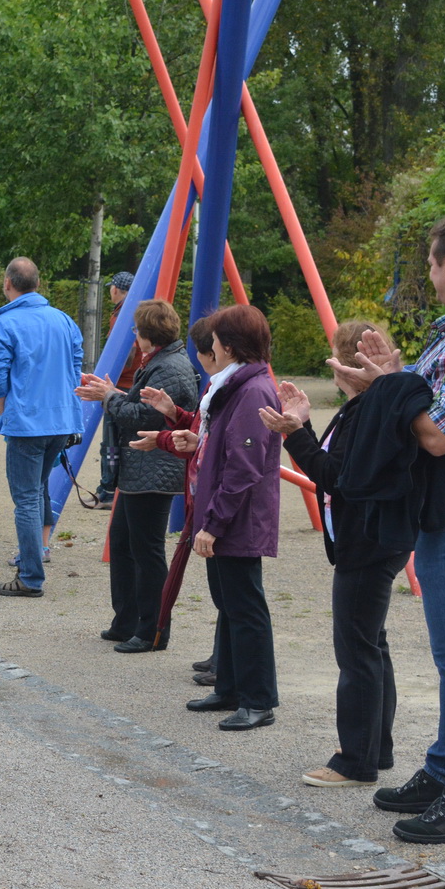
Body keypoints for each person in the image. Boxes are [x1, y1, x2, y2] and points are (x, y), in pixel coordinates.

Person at [334, 212, 445, 843]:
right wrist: (395, 381)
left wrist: (388, 391)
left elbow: (437, 434)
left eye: (431, 263)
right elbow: (433, 407)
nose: (429, 276)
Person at [260, 322, 412, 787]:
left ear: (345, 364)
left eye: (336, 358)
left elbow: (336, 475)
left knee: (357, 650)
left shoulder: (368, 410)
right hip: (371, 537)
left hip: (366, 541)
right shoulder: (365, 406)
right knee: (371, 644)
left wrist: (293, 432)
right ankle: (374, 749)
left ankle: (355, 760)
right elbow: (340, 466)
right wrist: (303, 422)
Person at [138, 306, 281, 732]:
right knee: (229, 603)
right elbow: (224, 448)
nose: (210, 346)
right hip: (225, 514)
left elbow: (244, 468)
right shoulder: (236, 386)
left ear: (229, 346)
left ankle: (258, 699)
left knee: (245, 606)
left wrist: (213, 523)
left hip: (238, 519)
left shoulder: (252, 390)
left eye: (216, 339)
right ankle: (232, 688)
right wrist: (195, 437)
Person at [75, 298, 198, 652]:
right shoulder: (162, 361)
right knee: (124, 543)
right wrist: (113, 393)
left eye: (135, 330)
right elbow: (139, 407)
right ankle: (127, 620)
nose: (133, 336)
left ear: (146, 334)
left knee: (146, 551)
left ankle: (152, 630)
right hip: (141, 469)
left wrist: (109, 396)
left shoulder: (170, 367)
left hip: (154, 469)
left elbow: (145, 418)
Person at [0, 257, 83, 597]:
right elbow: (75, 368)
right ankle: (36, 553)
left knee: (26, 498)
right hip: (61, 421)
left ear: (8, 284)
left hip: (27, 423)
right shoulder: (64, 320)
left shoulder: (5, 322)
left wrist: (4, 413)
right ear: (38, 284)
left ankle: (30, 576)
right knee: (39, 486)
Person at [93, 270, 137, 508]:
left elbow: (127, 354)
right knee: (122, 440)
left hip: (120, 384)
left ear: (116, 289)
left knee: (110, 441)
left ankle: (108, 489)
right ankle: (115, 487)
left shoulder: (122, 314)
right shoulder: (138, 310)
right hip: (133, 384)